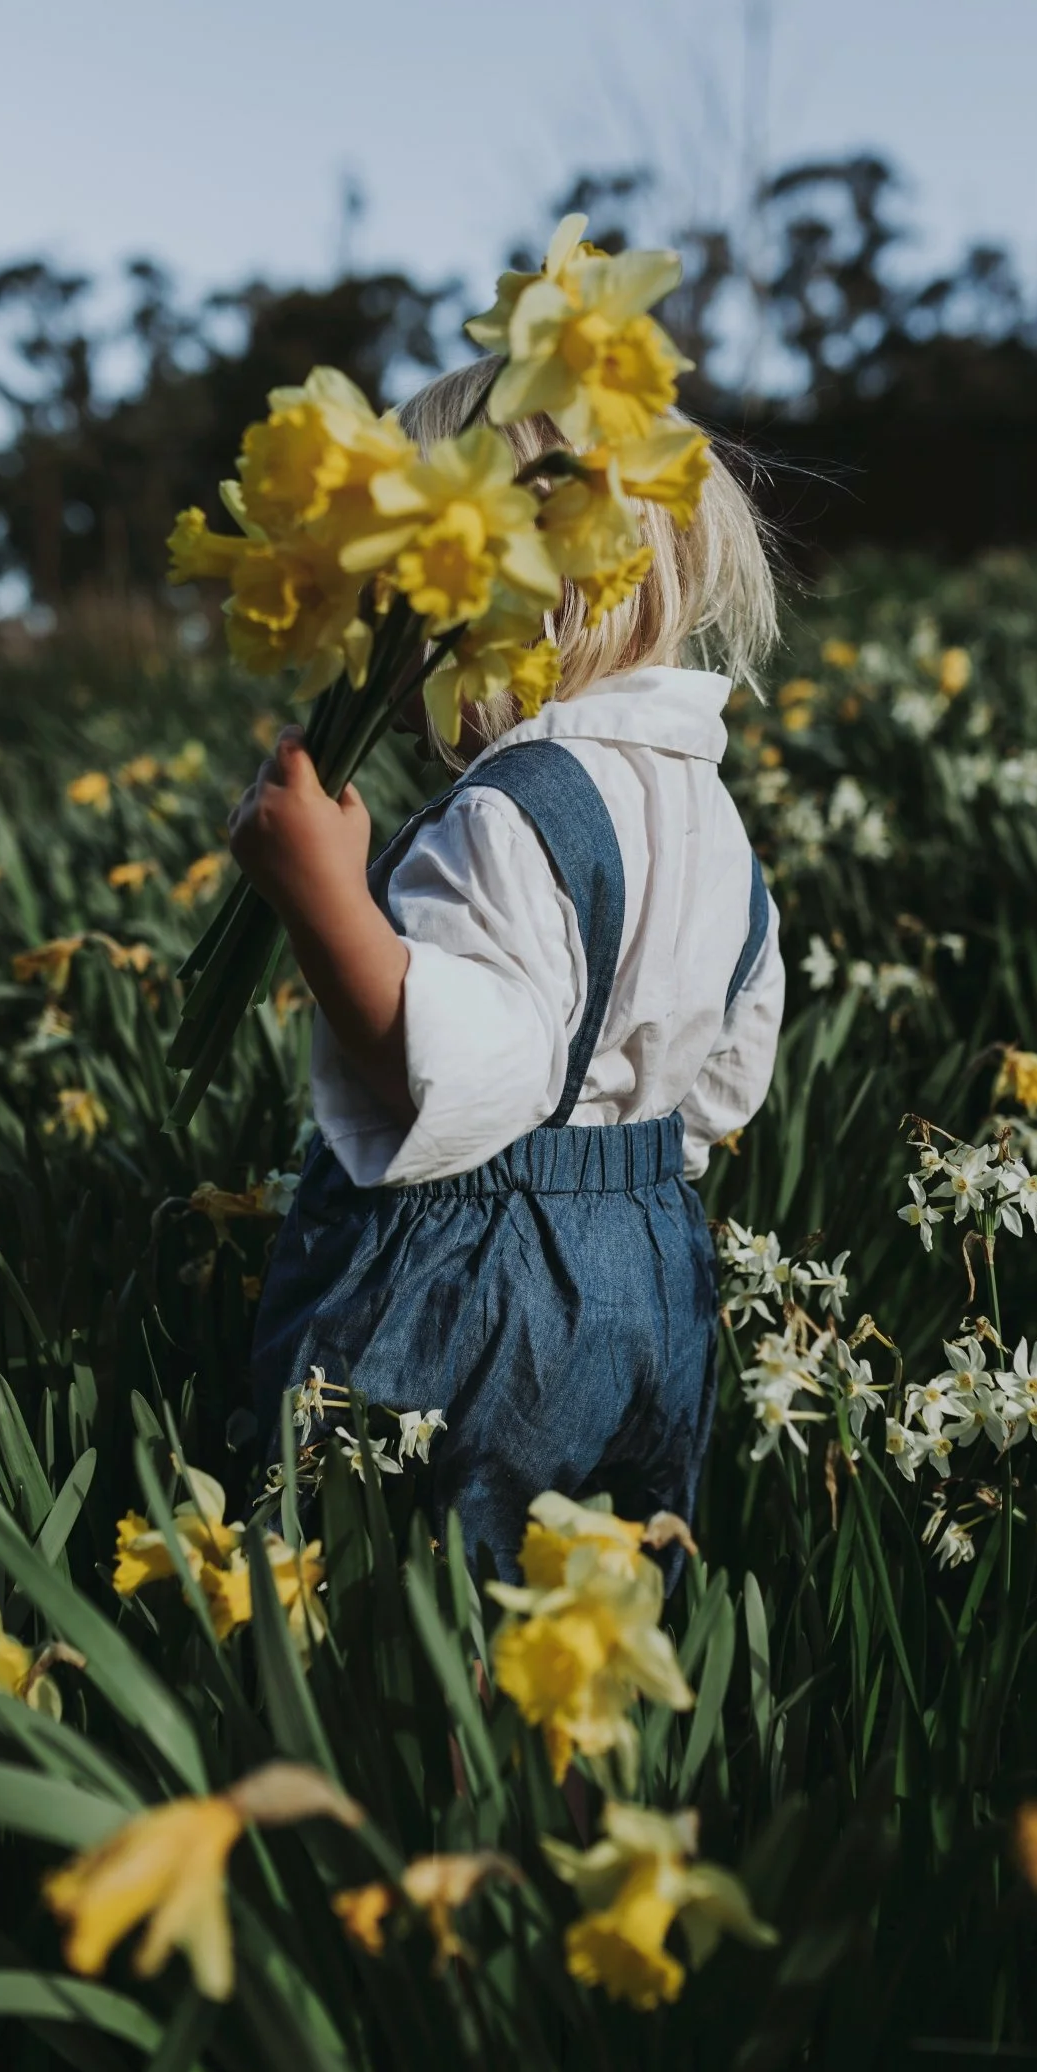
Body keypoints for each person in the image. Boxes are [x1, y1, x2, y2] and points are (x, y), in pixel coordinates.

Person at [237, 358, 784, 1581]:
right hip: (654, 1265)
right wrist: (619, 1179)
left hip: (479, 1290)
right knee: (601, 1585)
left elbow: (460, 1074)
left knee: (402, 1588)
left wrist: (318, 895)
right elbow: (729, 1077)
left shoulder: (509, 812)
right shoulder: (717, 821)